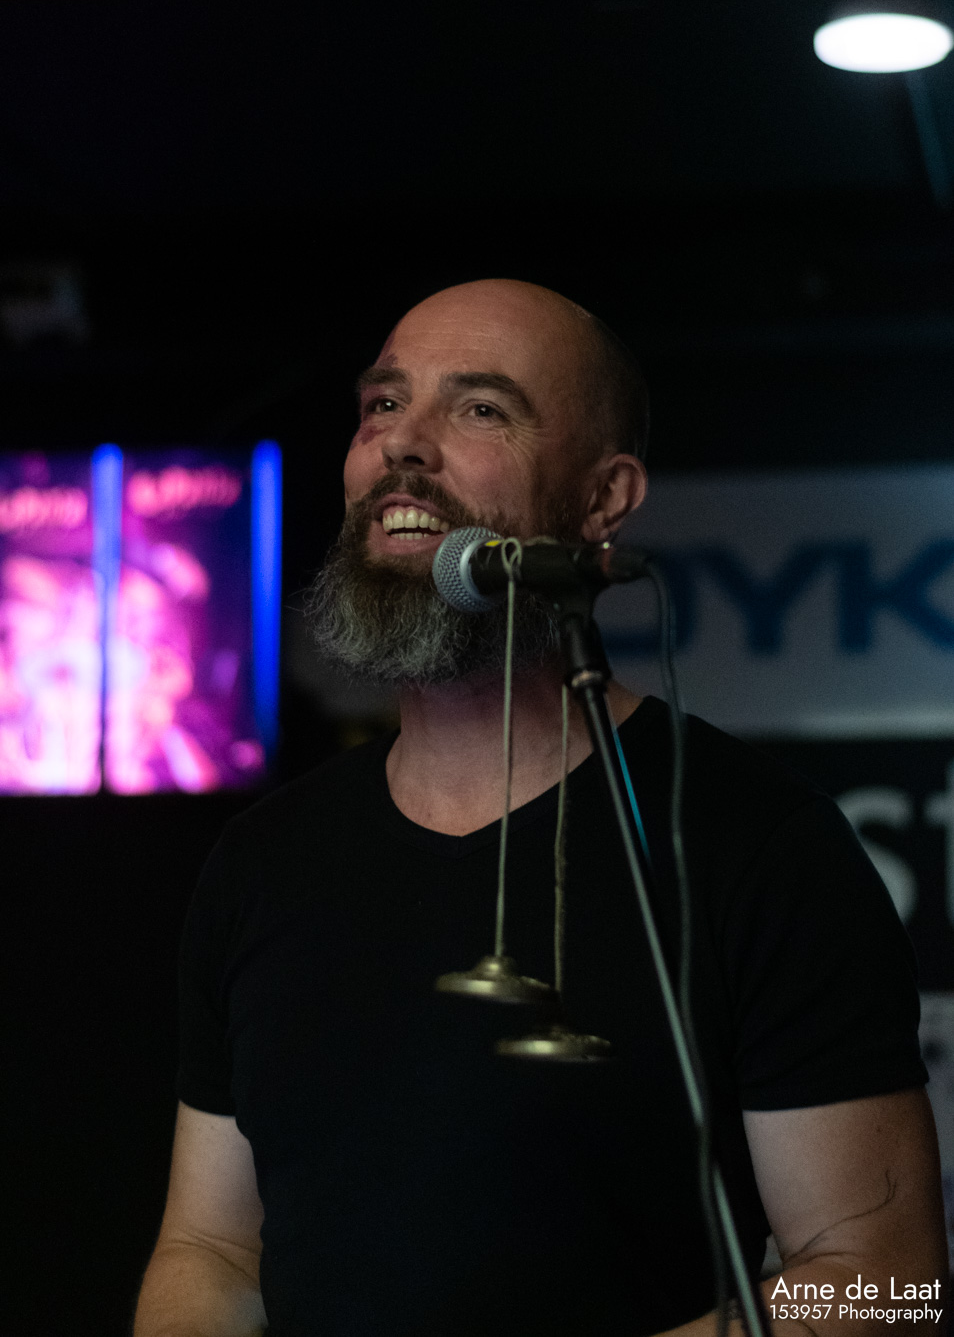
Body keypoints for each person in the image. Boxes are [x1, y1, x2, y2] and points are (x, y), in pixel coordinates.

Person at [134, 279, 947, 1337]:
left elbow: (890, 1282)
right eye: (383, 404)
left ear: (604, 499)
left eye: (481, 408)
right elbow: (211, 1248)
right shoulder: (264, 860)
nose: (402, 442)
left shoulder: (760, 844)